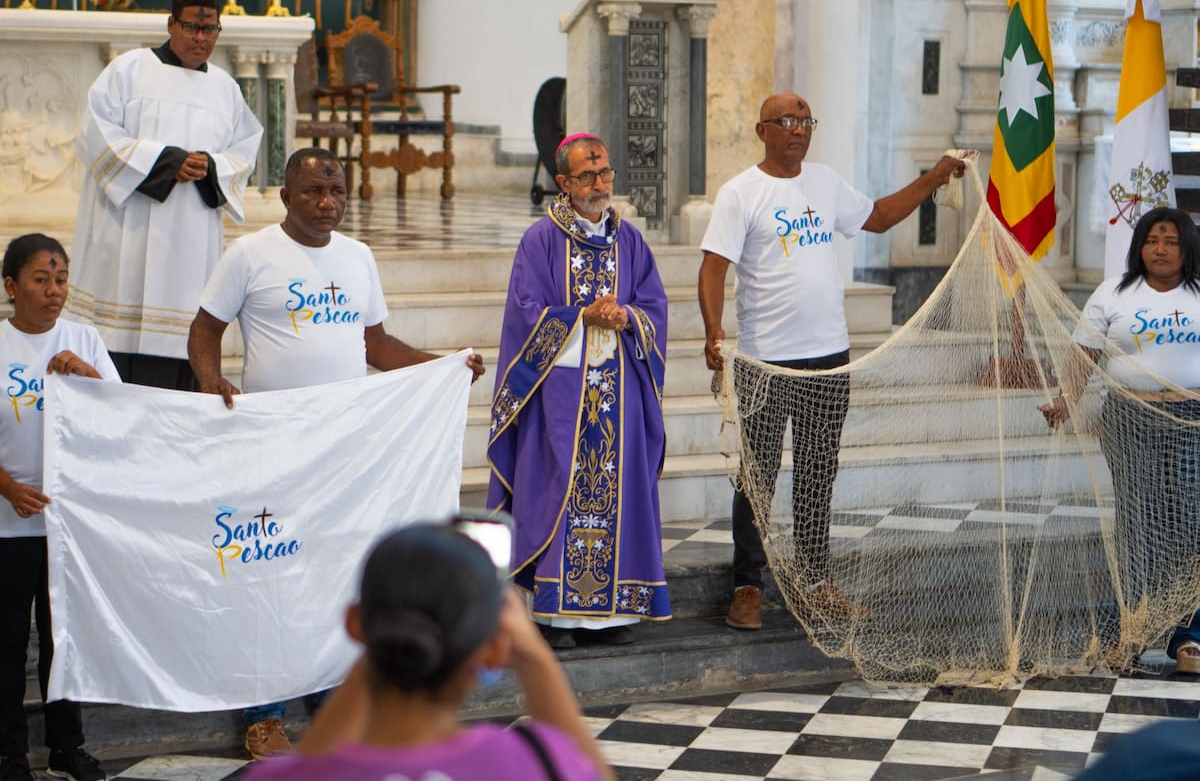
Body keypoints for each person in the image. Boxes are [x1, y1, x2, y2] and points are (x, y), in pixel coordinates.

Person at [188, 147, 485, 758]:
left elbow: (374, 342)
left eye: (337, 192)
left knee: (336, 568)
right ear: (286, 197)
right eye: (313, 192)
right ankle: (264, 713)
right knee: (270, 569)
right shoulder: (249, 254)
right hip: (274, 442)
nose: (327, 203)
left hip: (345, 445)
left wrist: (447, 367)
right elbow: (205, 329)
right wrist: (211, 381)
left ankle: (334, 699)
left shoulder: (358, 258)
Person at [699, 93, 967, 631]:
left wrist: (936, 176)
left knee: (820, 471)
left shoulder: (824, 182)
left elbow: (881, 216)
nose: (798, 130)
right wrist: (712, 332)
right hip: (765, 360)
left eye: (806, 121)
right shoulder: (740, 194)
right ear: (762, 130)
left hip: (828, 357)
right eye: (787, 121)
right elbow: (712, 268)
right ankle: (748, 586)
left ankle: (816, 583)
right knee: (757, 476)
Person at [243, 523, 613, 781]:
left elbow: (308, 768)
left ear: (356, 624)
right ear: (494, 649)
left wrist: (381, 638)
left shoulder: (282, 776)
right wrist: (535, 658)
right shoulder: (532, 762)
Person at [487, 133, 670, 650]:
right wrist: (580, 317)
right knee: (558, 491)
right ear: (563, 183)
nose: (599, 184)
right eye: (587, 176)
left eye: (605, 173)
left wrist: (629, 316)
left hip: (620, 395)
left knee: (619, 490)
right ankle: (554, 615)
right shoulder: (540, 241)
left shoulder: (630, 240)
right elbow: (525, 315)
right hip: (560, 396)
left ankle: (612, 613)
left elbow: (654, 306)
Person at [66, 0, 263, 391]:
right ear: (171, 24)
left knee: (179, 351)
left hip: (189, 237)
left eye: (210, 30)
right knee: (117, 352)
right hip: (127, 230)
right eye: (191, 27)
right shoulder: (128, 70)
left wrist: (211, 166)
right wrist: (169, 162)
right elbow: (95, 136)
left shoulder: (225, 88)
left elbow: (244, 152)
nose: (200, 38)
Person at [1038, 207, 1200, 673]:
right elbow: (1084, 351)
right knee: (1137, 523)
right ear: (1139, 248)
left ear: (1187, 247)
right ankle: (1130, 631)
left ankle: (1190, 636)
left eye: (1170, 240)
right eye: (1152, 240)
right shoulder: (1115, 292)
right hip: (1130, 417)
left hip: (1193, 418)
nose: (1160, 249)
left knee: (1191, 519)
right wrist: (1066, 399)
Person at [0, 234, 121, 781]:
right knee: (5, 642)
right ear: (10, 287)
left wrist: (89, 376)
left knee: (63, 640)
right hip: (8, 520)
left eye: (61, 279)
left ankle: (67, 746)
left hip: (66, 524)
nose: (54, 291)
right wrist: (7, 487)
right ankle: (10, 752)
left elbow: (121, 415)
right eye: (41, 279)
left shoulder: (84, 337)